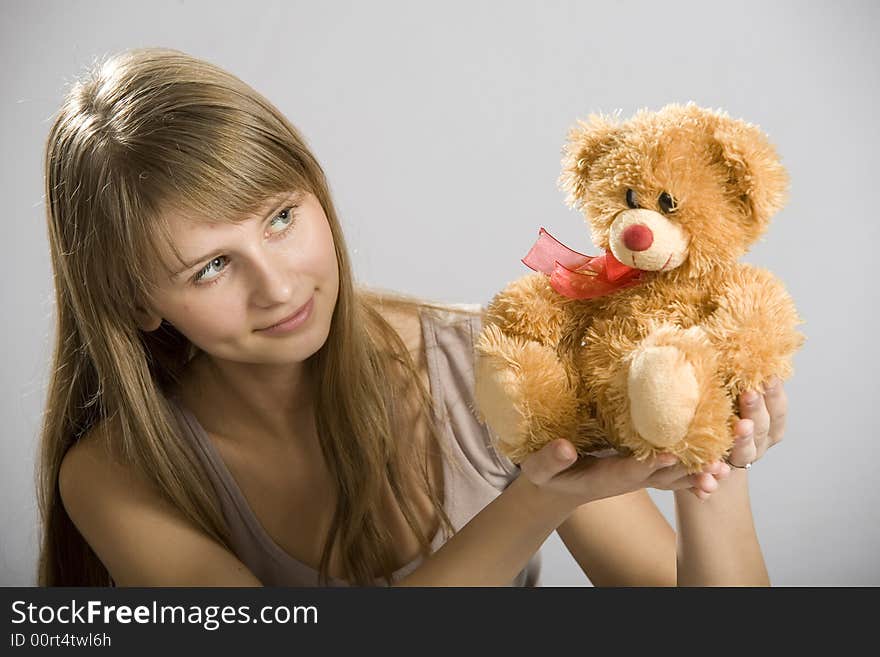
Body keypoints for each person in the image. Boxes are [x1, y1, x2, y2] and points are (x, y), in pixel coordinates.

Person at [38, 47, 787, 587]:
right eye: (210, 266)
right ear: (135, 301)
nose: (276, 286)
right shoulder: (117, 473)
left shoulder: (491, 366)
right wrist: (535, 501)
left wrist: (716, 450)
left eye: (280, 218)